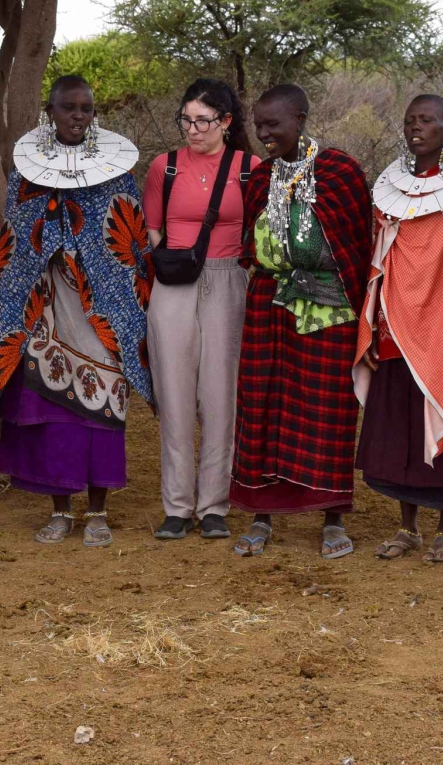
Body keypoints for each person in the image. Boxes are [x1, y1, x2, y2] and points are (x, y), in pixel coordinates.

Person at [0, 75, 152, 548]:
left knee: (104, 409)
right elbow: (14, 243)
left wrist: (89, 260)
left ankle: (98, 511)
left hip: (103, 313)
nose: (78, 116)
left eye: (86, 109)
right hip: (46, 309)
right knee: (54, 414)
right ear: (51, 111)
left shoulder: (117, 174)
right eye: (69, 107)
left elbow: (130, 245)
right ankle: (61, 509)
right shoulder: (25, 174)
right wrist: (49, 245)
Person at [229, 84, 371, 559]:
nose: (265, 134)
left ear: (301, 119)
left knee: (325, 409)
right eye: (259, 125)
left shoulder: (340, 170)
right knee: (262, 403)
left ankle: (332, 517)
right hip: (268, 302)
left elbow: (357, 244)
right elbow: (252, 241)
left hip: (329, 306)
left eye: (274, 124)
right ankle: (261, 514)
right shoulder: (259, 177)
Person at [354, 95, 443, 563]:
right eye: (409, 121)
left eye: (427, 120)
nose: (416, 128)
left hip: (442, 315)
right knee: (400, 423)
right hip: (393, 316)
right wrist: (371, 321)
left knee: (439, 411)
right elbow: (378, 254)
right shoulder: (391, 187)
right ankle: (407, 527)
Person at [143, 79, 256, 541]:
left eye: (203, 121)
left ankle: (213, 506)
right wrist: (172, 263)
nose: (192, 129)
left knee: (219, 396)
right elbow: (152, 227)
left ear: (225, 122)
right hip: (173, 283)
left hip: (228, 281)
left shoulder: (248, 168)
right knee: (173, 395)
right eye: (186, 120)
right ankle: (176, 506)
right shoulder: (164, 166)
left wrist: (231, 269)